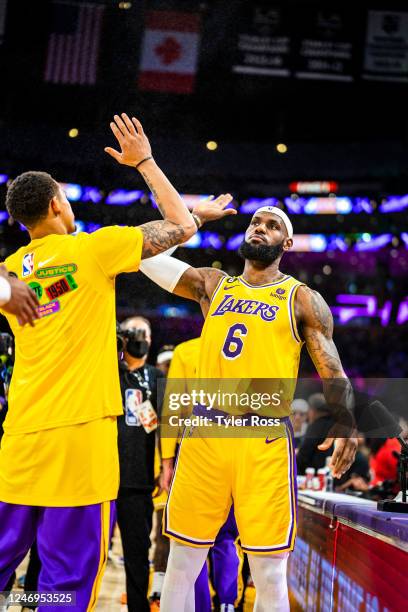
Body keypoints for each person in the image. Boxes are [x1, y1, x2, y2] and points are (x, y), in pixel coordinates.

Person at [0, 113, 233, 610]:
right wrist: (145, 162)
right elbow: (179, 225)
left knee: (4, 559)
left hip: (20, 436)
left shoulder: (12, 270)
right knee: (66, 578)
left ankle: (23, 598)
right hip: (81, 438)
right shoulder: (93, 249)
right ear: (59, 202)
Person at [139, 205, 358, 611]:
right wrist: (192, 220)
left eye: (273, 226)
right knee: (183, 560)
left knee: (269, 569)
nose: (261, 228)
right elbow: (141, 251)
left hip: (264, 437)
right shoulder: (212, 284)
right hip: (206, 433)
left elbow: (333, 368)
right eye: (256, 222)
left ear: (287, 244)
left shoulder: (301, 299)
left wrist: (346, 418)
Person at [116, 315, 164, 611]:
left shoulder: (158, 378)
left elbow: (161, 428)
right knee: (84, 548)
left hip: (138, 479)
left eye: (145, 332)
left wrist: (164, 470)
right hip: (99, 475)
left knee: (137, 553)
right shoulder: (107, 371)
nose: (139, 337)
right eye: (133, 331)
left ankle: (137, 607)